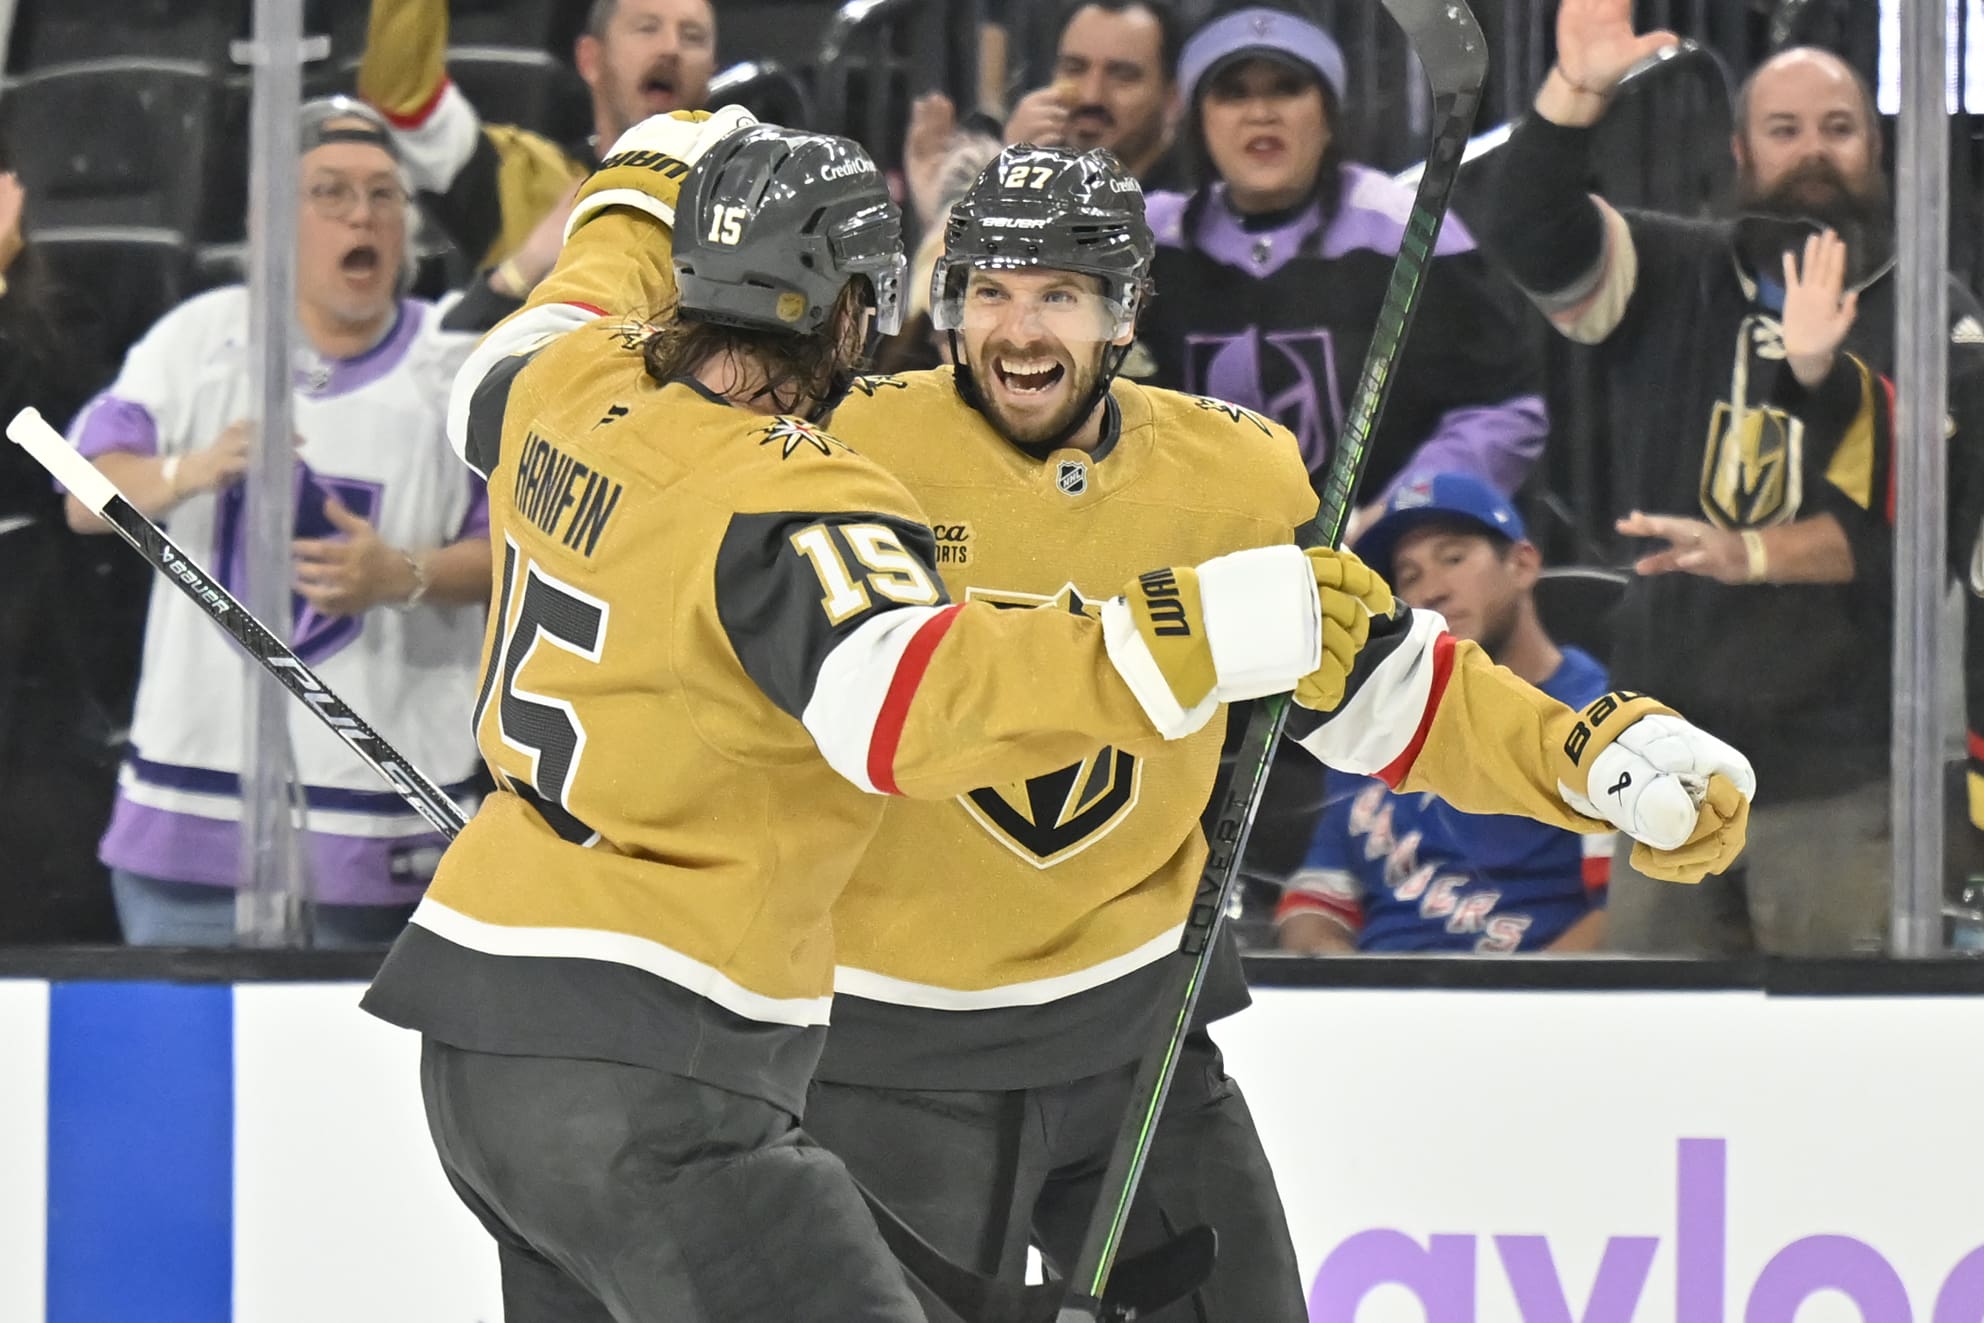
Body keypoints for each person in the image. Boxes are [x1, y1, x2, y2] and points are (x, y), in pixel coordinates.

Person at [556, 128, 1757, 1319]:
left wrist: (1585, 755)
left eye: (1062, 295)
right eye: (990, 292)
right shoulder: (836, 448)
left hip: (1138, 1042)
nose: (1019, 330)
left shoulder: (1234, 473)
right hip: (876, 1054)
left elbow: (1382, 683)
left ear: (1124, 312)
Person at [360, 110, 1390, 1322]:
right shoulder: (796, 492)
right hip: (665, 1075)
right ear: (854, 304)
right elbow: (913, 712)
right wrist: (1191, 632)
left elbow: (550, 313)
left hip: (479, 1051)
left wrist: (652, 169)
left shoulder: (564, 385)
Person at [1475, 0, 1984, 955]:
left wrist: (1750, 548)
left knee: (1833, 1074)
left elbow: (1914, 533)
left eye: (1840, 130)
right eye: (1783, 131)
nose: (1814, 152)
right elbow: (1528, 230)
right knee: (1657, 1069)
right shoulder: (1674, 271)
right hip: (1667, 763)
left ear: (1879, 150)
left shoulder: (1932, 316)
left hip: (1844, 779)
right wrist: (1573, 95)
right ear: (1740, 154)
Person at [59, 98, 492, 947]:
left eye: (383, 195)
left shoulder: (456, 363)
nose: (360, 214)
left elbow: (514, 553)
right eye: (328, 192)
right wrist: (191, 470)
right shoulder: (197, 340)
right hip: (190, 825)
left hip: (386, 824)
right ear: (269, 221)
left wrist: (400, 575)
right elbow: (82, 494)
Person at [1132, 0, 1549, 536]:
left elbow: (1505, 408)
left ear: (1328, 111)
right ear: (1196, 118)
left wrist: (1400, 513)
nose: (1261, 113)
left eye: (1286, 87)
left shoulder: (1407, 233)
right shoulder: (1150, 244)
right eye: (1233, 91)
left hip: (1386, 570)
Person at [1279, 474, 1614, 955]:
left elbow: (1622, 918)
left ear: (1522, 564)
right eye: (1409, 576)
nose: (1431, 591)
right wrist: (1346, 984)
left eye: (1453, 558)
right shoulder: (1368, 725)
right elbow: (1317, 902)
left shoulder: (1602, 721)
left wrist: (1502, 1017)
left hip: (1537, 1004)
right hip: (1376, 1007)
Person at [357, 0, 715, 291]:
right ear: (590, 60)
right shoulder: (529, 183)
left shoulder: (741, 204)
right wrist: (523, 268)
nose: (671, 48)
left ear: (712, 72)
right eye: (647, 29)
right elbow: (402, 98)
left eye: (692, 36)